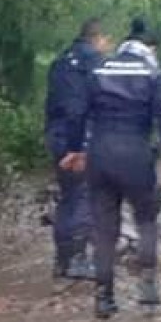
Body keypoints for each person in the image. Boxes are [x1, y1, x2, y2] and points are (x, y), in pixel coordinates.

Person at [63, 18, 161, 319]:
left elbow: (76, 113)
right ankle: (148, 288)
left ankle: (104, 298)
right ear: (149, 48)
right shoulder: (152, 74)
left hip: (100, 153)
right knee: (146, 220)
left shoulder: (99, 69)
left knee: (104, 229)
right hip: (136, 154)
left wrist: (74, 150)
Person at [45, 19, 110, 279]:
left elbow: (53, 105)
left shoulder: (60, 62)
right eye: (107, 40)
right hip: (80, 136)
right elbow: (82, 108)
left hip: (57, 135)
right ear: (99, 38)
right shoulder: (93, 63)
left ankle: (62, 260)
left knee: (68, 196)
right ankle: (76, 259)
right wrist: (80, 146)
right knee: (84, 196)